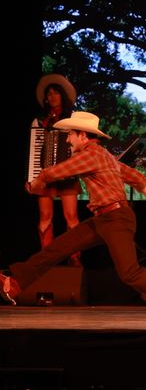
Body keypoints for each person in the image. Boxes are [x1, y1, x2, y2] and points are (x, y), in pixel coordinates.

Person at [0, 112, 146, 317]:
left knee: (130, 273)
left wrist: (35, 185)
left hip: (116, 219)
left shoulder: (91, 154)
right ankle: (15, 282)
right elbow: (136, 177)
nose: (67, 139)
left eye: (70, 134)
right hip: (104, 218)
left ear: (82, 136)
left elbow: (54, 172)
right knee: (58, 248)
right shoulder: (105, 156)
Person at [29, 74, 81, 264]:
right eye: (49, 94)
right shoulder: (39, 120)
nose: (52, 97)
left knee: (71, 216)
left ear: (62, 96)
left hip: (68, 174)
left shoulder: (73, 118)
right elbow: (35, 149)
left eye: (56, 93)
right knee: (45, 216)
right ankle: (46, 260)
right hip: (45, 176)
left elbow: (78, 145)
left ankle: (75, 258)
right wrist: (33, 177)